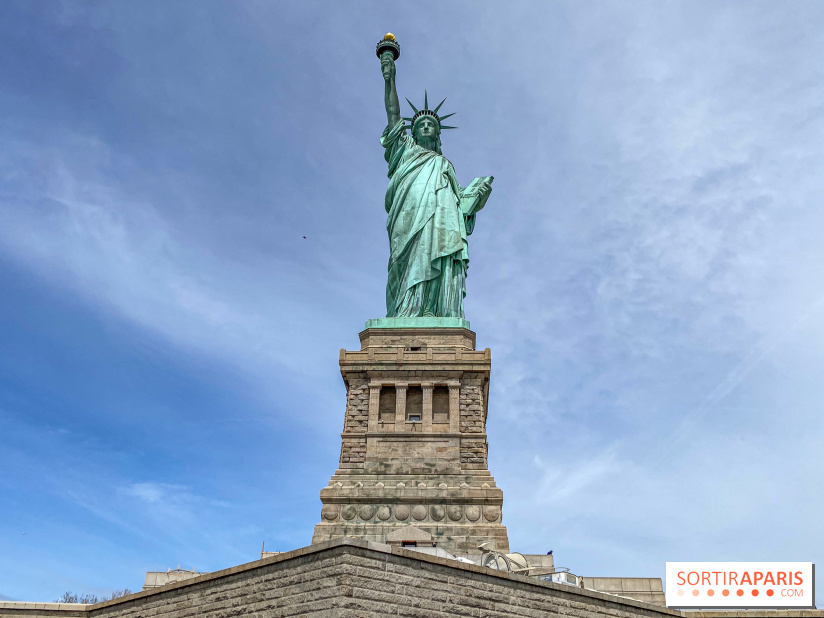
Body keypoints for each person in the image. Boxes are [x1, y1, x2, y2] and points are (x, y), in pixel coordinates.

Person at [379, 51, 491, 318]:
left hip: (441, 220)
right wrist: (389, 79)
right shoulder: (404, 151)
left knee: (439, 253)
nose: (426, 127)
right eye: (421, 124)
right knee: (408, 260)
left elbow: (460, 203)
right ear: (413, 132)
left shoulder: (445, 165)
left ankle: (433, 310)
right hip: (409, 218)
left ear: (438, 134)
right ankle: (407, 311)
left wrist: (476, 198)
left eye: (431, 124)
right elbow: (393, 114)